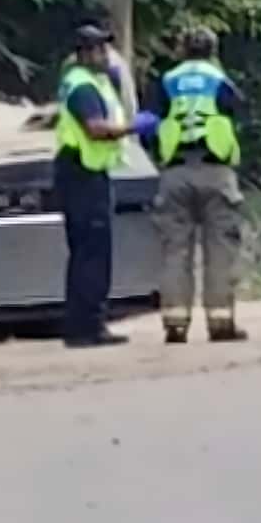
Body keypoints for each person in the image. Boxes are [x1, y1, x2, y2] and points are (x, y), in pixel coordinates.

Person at [55, 24, 159, 348]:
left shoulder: (96, 82)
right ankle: (87, 327)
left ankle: (82, 324)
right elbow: (96, 130)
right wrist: (133, 127)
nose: (106, 56)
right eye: (99, 50)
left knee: (89, 251)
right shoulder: (82, 86)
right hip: (80, 173)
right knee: (92, 253)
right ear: (84, 54)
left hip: (89, 171)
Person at [148, 27, 248, 344]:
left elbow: (151, 122)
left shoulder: (166, 81)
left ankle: (175, 323)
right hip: (215, 170)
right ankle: (220, 322)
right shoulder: (220, 81)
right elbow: (238, 113)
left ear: (181, 49)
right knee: (221, 249)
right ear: (213, 51)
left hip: (175, 172)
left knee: (175, 249)